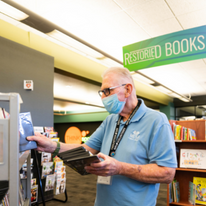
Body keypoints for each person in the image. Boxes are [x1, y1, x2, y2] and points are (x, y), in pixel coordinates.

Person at [27, 67, 177, 206]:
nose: (103, 98)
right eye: (102, 93)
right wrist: (52, 146)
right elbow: (85, 149)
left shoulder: (157, 121)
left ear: (127, 89)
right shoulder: (111, 120)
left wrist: (119, 168)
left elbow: (167, 173)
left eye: (107, 91)